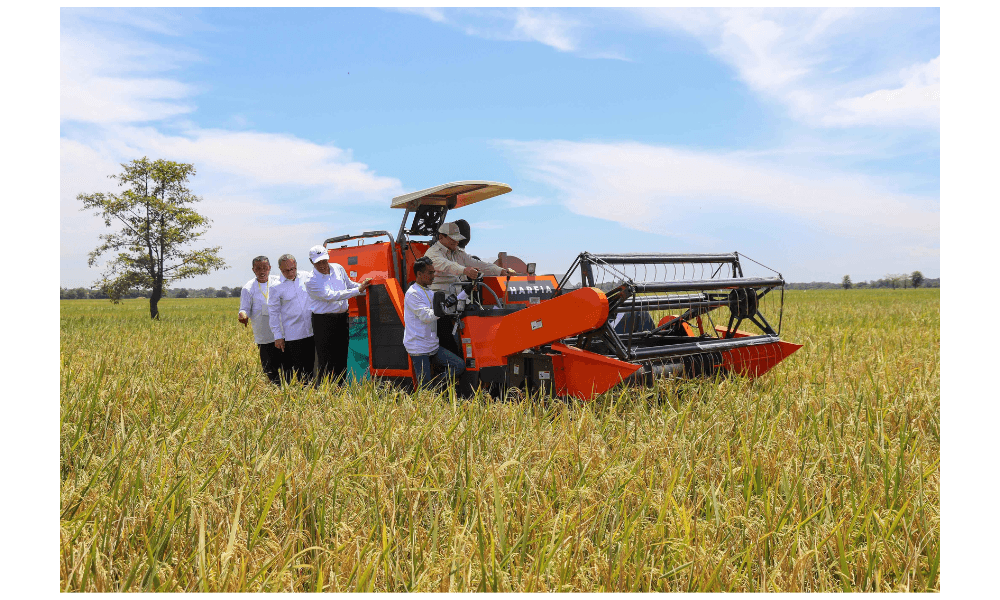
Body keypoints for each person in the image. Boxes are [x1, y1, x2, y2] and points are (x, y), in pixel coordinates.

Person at [424, 221, 516, 354]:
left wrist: (499, 270)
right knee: (447, 339)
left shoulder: (457, 253)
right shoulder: (432, 254)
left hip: (457, 300)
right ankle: (452, 366)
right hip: (439, 304)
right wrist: (465, 270)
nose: (456, 242)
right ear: (441, 237)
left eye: (457, 239)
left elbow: (477, 263)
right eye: (452, 239)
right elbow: (447, 265)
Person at [305, 245, 372, 383]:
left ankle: (340, 388)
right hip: (323, 321)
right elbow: (331, 296)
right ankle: (327, 391)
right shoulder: (311, 280)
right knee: (327, 359)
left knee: (342, 355)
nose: (322, 265)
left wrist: (367, 288)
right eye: (318, 263)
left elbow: (349, 284)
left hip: (342, 318)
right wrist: (358, 290)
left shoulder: (338, 268)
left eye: (324, 261)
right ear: (312, 262)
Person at [403, 256, 466, 388]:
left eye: (434, 272)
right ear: (419, 274)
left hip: (432, 346)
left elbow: (441, 308)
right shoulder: (413, 294)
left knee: (459, 365)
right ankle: (431, 392)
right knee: (424, 388)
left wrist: (465, 293)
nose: (433, 276)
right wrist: (444, 308)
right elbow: (426, 316)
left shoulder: (429, 292)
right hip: (419, 348)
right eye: (430, 273)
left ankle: (436, 387)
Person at [267, 253, 315, 384]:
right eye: (286, 270)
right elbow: (273, 313)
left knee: (313, 367)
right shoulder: (275, 287)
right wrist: (278, 336)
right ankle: (302, 394)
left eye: (293, 269)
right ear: (280, 270)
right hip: (293, 335)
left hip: (312, 330)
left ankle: (315, 393)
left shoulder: (307, 277)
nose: (290, 272)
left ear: (296, 266)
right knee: (300, 370)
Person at [238, 256, 283, 384]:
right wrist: (242, 314)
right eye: (258, 268)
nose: (262, 271)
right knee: (269, 368)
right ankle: (275, 391)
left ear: (269, 268)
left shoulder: (278, 282)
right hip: (263, 334)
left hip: (281, 332)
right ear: (253, 270)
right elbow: (244, 308)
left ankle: (288, 388)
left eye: (265, 268)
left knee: (286, 365)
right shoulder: (248, 288)